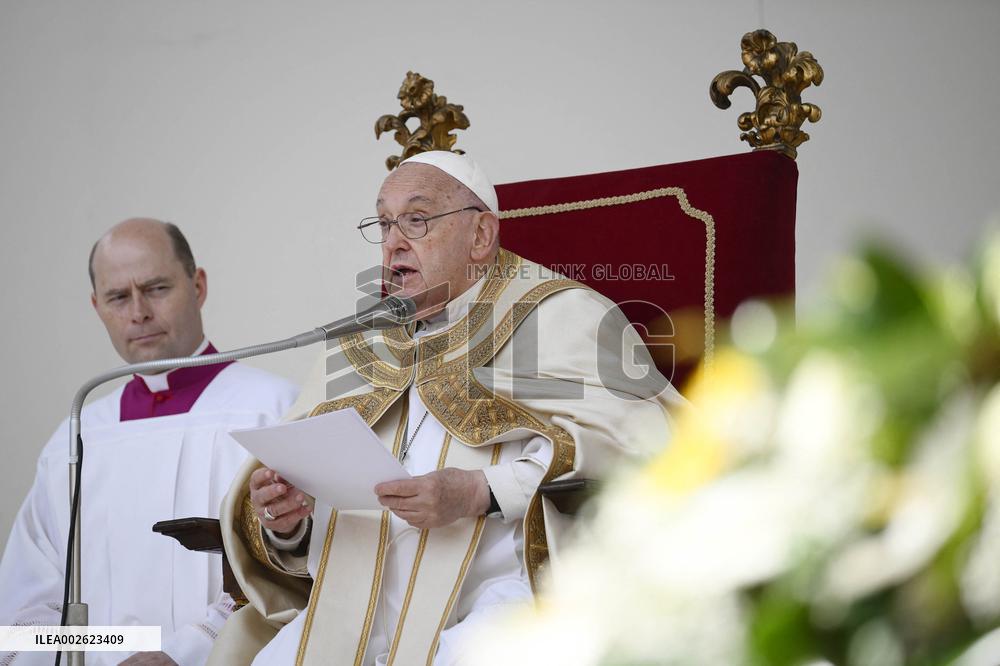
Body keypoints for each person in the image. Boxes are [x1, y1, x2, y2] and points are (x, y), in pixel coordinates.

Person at [208, 152, 684, 666]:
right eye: (384, 223)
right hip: (351, 612)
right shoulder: (360, 343)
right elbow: (300, 504)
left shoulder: (556, 315)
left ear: (480, 235)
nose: (393, 242)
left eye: (417, 219)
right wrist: (287, 522)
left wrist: (481, 492)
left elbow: (649, 447)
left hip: (504, 598)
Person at [0, 219, 298, 665]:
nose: (138, 312)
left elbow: (292, 574)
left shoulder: (273, 409)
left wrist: (182, 654)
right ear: (97, 305)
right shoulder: (77, 438)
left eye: (156, 288)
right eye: (118, 297)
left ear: (197, 286)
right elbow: (25, 608)